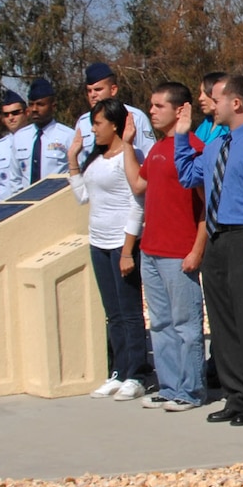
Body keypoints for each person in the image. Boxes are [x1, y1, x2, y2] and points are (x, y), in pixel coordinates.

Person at [175, 74, 243, 427]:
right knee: (223, 323)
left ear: (235, 103)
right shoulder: (216, 144)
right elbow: (189, 176)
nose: (209, 102)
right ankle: (235, 396)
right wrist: (181, 136)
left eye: (215, 98)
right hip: (218, 240)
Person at [126, 81, 207, 412]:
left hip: (179, 252)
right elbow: (138, 184)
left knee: (187, 325)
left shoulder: (195, 148)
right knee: (159, 323)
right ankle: (171, 386)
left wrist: (197, 249)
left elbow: (207, 207)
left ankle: (192, 390)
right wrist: (128, 145)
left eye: (159, 105)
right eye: (151, 105)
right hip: (151, 250)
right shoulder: (158, 148)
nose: (152, 111)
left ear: (181, 109)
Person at [68, 98, 147, 402]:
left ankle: (137, 373)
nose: (93, 130)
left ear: (115, 124)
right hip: (98, 242)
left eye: (98, 123)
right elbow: (82, 197)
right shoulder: (96, 159)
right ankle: (118, 370)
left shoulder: (130, 155)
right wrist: (73, 158)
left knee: (129, 313)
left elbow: (136, 204)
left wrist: (128, 250)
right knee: (112, 313)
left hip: (121, 243)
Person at [72, 61, 154, 165]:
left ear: (113, 90)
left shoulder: (135, 117)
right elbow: (80, 160)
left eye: (98, 89)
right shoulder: (83, 122)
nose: (93, 95)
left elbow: (148, 156)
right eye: (89, 91)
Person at [13, 78, 76, 189]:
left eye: (40, 104)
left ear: (53, 106)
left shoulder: (68, 136)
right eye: (31, 104)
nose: (34, 109)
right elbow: (14, 179)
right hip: (27, 202)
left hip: (56, 202)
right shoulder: (20, 138)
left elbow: (77, 174)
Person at [0, 90, 26, 203]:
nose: (11, 117)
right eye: (6, 114)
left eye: (15, 113)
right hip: (4, 209)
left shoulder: (37, 141)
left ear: (26, 113)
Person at [193, 71, 230, 146]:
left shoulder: (230, 129)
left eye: (206, 93)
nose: (200, 98)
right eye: (200, 93)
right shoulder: (203, 127)